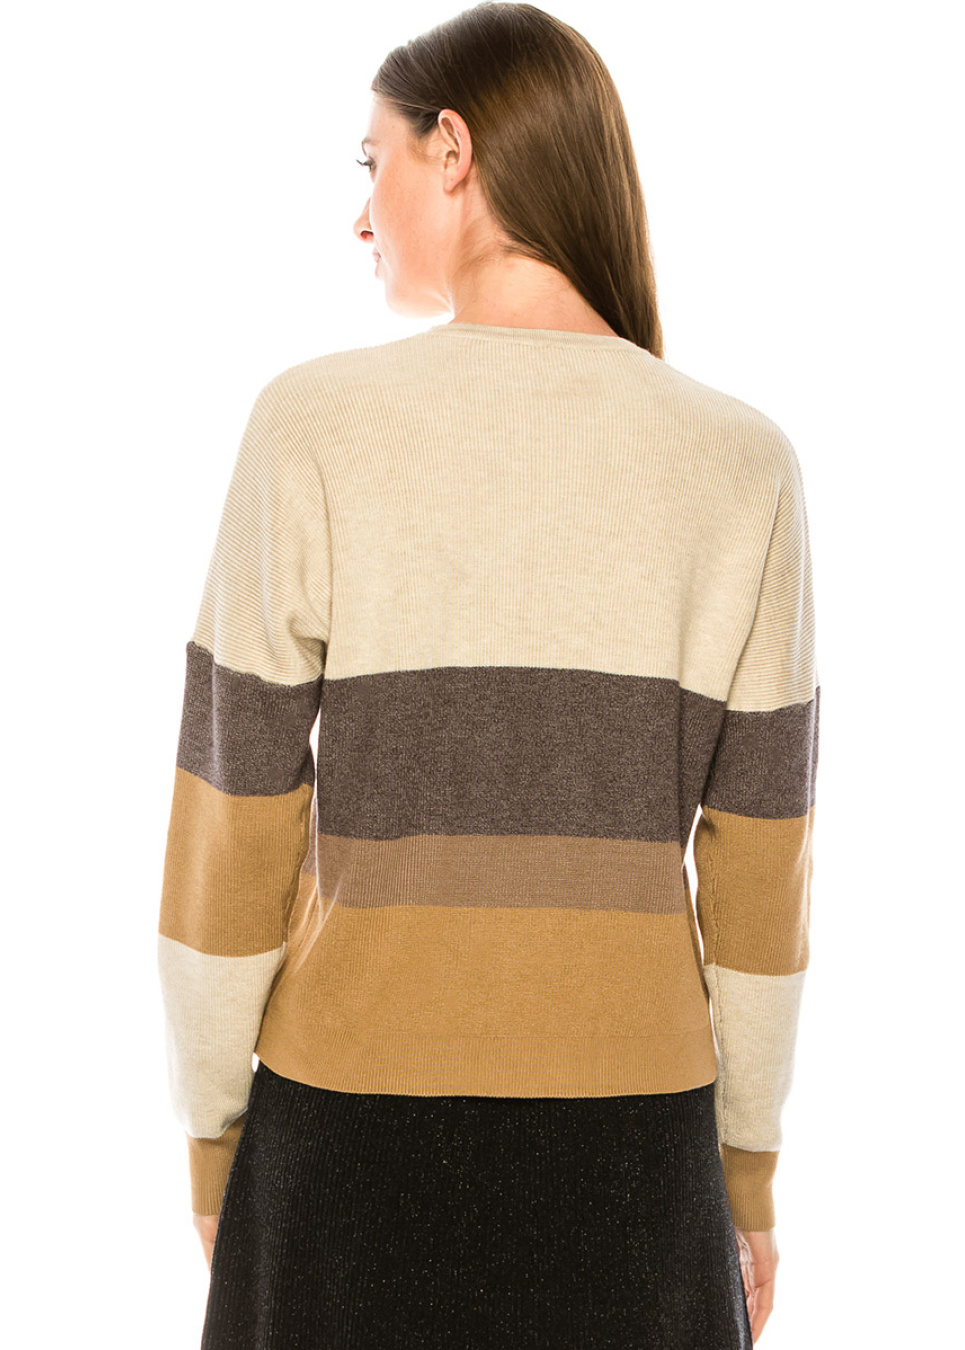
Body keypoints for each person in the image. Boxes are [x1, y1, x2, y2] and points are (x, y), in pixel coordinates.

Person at [158, 3, 819, 1345]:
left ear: (451, 151)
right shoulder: (742, 462)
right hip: (637, 1158)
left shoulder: (311, 426)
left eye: (373, 162)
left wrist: (216, 1136)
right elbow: (764, 875)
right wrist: (744, 1175)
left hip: (345, 1142)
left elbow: (231, 820)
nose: (361, 216)